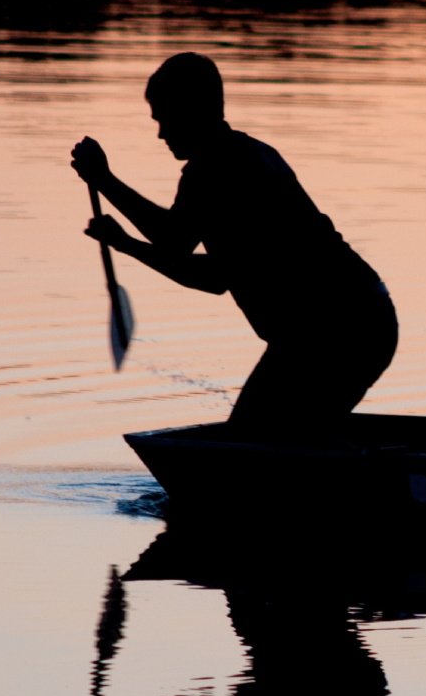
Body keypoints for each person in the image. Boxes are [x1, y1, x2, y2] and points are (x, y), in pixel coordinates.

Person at [70, 52, 397, 443]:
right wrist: (126, 244)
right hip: (356, 325)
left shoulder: (216, 168)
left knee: (252, 443)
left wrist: (103, 179)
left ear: (193, 110)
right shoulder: (248, 154)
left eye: (164, 119)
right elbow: (210, 277)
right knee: (270, 440)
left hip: (333, 332)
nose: (160, 134)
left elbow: (174, 239)